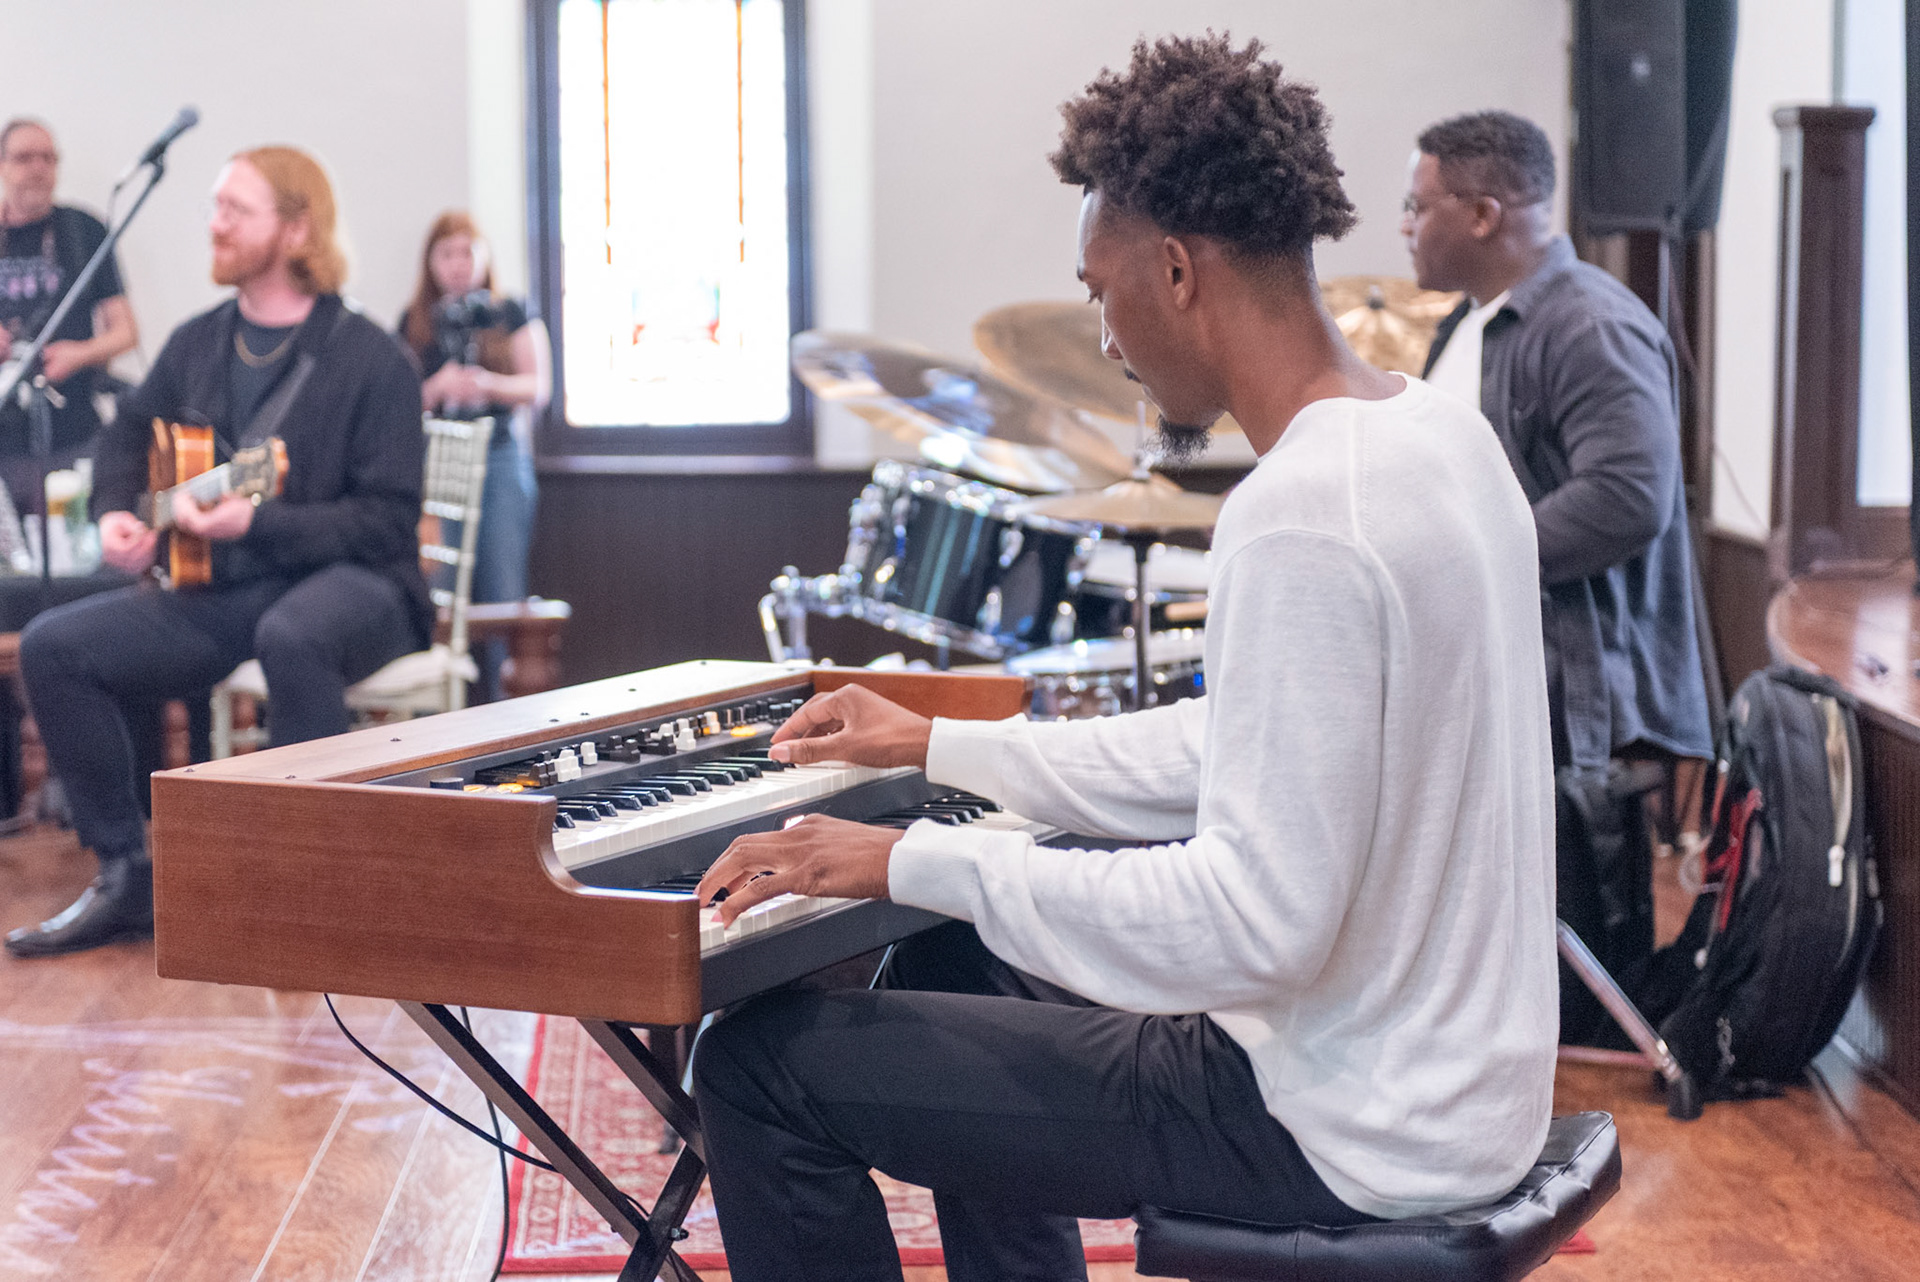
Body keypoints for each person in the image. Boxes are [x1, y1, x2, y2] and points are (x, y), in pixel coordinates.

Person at [684, 35, 1558, 1282]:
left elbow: (1248, 924)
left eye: (1101, 292)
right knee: (951, 946)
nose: (1104, 335)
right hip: (1453, 1080)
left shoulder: (1303, 510)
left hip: (1342, 1121)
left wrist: (912, 850)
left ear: (1176, 269)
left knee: (755, 1066)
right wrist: (941, 747)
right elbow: (1231, 746)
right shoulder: (1440, 441)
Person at [5, 146, 430, 959]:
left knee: (293, 636)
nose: (215, 224)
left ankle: (311, 889)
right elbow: (125, 437)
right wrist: (115, 517)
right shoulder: (199, 341)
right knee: (56, 648)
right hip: (231, 589)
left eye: (235, 209)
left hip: (361, 586)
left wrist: (257, 525)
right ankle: (129, 877)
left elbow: (385, 522)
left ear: (296, 228)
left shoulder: (372, 358)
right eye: (214, 207)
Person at [1404, 109, 1713, 773]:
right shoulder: (1468, 323)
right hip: (1501, 693)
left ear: (1483, 215)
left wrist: (1460, 557)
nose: (1405, 226)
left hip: (1574, 717)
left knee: (1567, 883)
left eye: (1417, 206)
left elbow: (1626, 496)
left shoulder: (1590, 326)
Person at [397, 212, 550, 702]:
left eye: (468, 252)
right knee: (441, 589)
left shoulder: (510, 312)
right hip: (437, 463)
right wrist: (437, 387)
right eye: (447, 254)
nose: (459, 264)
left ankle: (506, 714)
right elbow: (394, 402)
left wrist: (488, 386)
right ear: (430, 262)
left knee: (502, 589)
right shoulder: (417, 320)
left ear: (484, 257)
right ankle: (442, 707)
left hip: (500, 457)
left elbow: (538, 386)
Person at [0, 118, 139, 508]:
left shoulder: (83, 230)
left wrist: (80, 354)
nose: (38, 168)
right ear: (2, 165)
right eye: (25, 158)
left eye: (48, 158)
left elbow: (125, 331)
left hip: (74, 432)